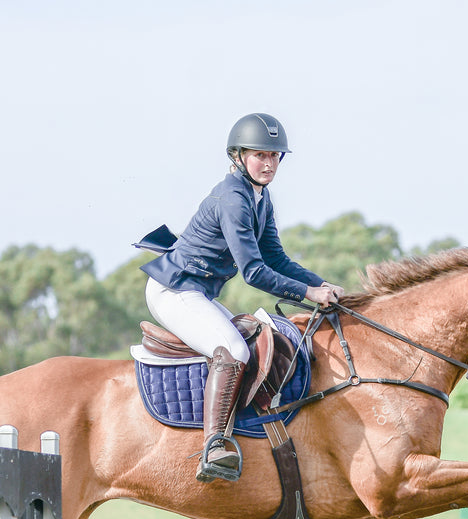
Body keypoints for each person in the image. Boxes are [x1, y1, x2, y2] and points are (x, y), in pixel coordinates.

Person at [136, 112, 345, 483]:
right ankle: (215, 444)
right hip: (175, 288)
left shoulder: (260, 199)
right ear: (238, 157)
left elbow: (276, 259)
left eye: (274, 156)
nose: (268, 163)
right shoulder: (233, 198)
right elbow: (253, 272)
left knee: (248, 338)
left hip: (195, 290)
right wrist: (309, 293)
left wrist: (321, 284)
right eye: (259, 155)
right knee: (234, 349)